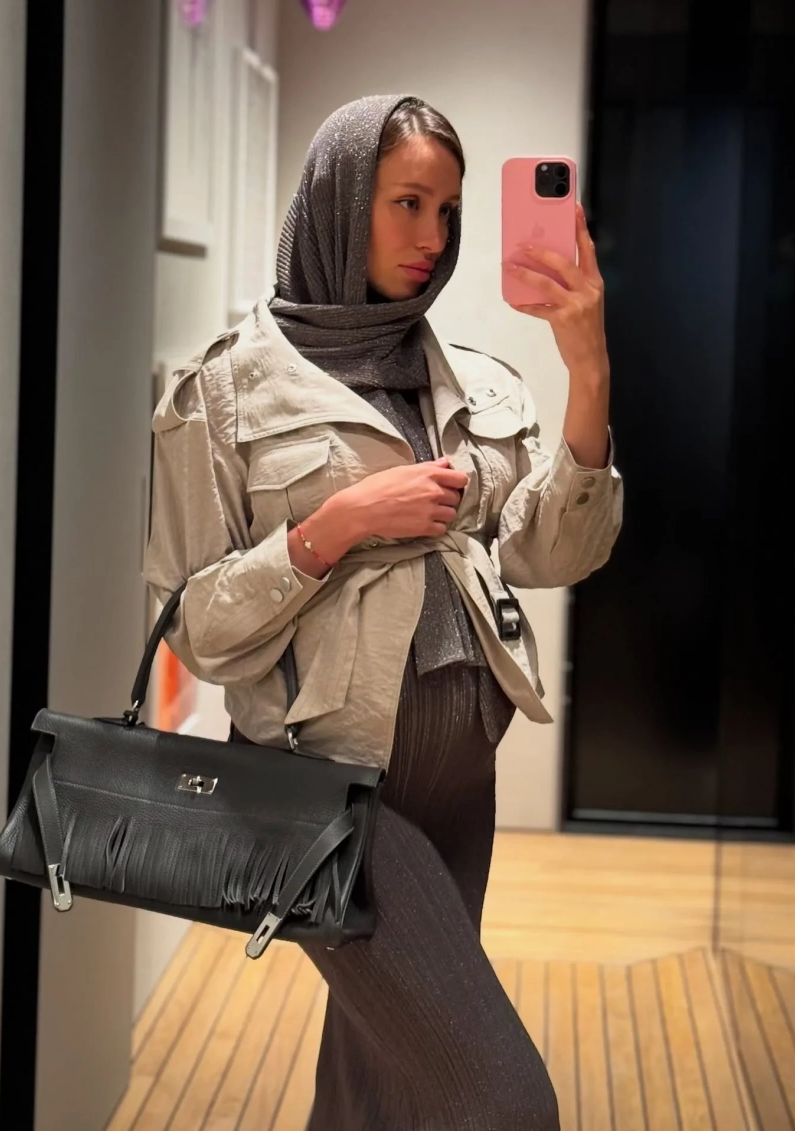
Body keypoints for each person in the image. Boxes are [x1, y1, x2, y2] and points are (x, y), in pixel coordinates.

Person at [143, 94, 622, 1130]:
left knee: (382, 1085)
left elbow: (553, 550)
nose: (432, 236)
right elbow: (196, 627)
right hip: (326, 793)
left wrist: (587, 371)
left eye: (447, 210)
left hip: (461, 781)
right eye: (407, 202)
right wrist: (338, 524)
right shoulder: (223, 392)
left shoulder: (471, 382)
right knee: (501, 1098)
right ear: (339, 198)